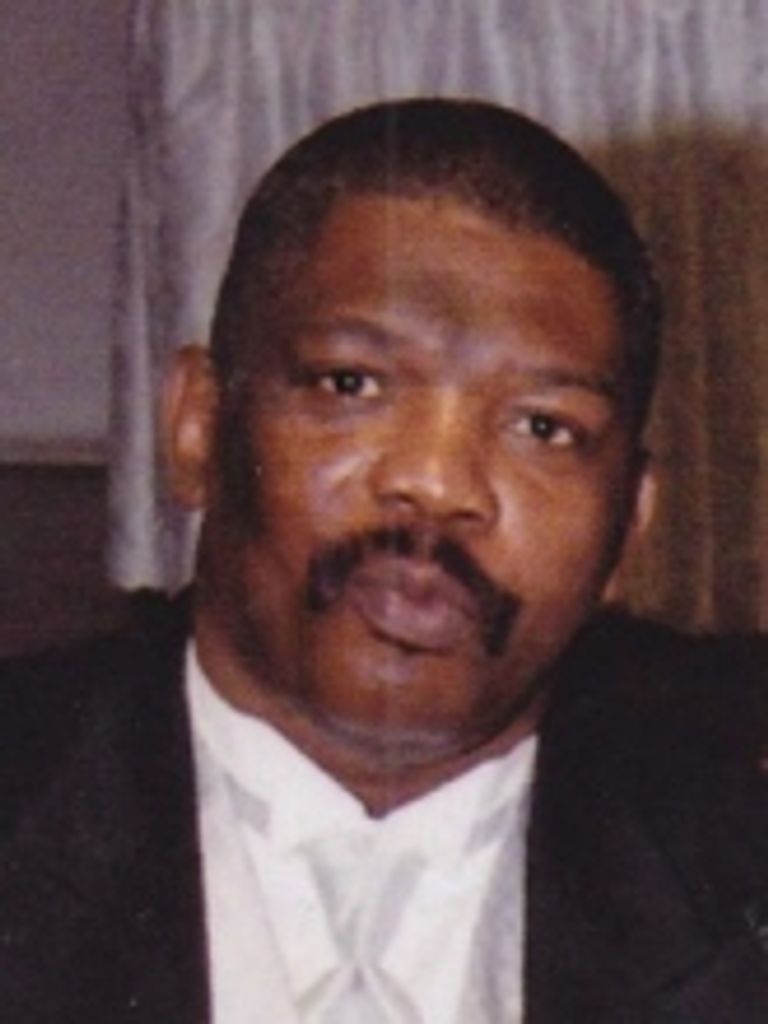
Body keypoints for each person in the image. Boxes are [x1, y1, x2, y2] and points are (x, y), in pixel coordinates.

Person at [1, 98, 767, 1023]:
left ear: (628, 528)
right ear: (198, 427)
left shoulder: (735, 876)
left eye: (543, 427)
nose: (437, 483)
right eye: (352, 384)